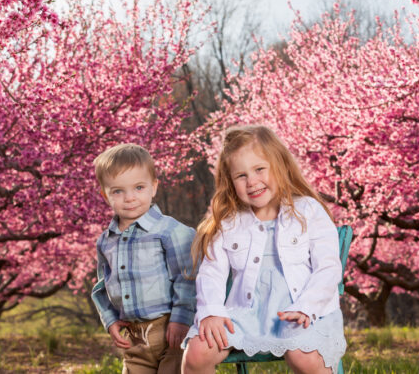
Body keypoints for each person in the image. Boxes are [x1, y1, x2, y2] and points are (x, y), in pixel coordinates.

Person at [182, 125, 347, 374]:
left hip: (301, 312)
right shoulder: (229, 221)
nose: (252, 182)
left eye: (259, 169)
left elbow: (328, 268)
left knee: (303, 357)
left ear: (279, 165)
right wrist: (211, 312)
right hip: (244, 316)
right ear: (230, 182)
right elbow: (211, 273)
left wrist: (307, 306)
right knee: (196, 353)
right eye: (241, 176)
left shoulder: (308, 211)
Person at [91, 143, 196, 374]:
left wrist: (182, 318)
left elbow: (187, 278)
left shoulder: (170, 231)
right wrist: (110, 319)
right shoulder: (106, 241)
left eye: (139, 187)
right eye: (117, 191)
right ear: (104, 195)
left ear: (154, 187)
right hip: (134, 338)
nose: (129, 198)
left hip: (171, 330)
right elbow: (101, 286)